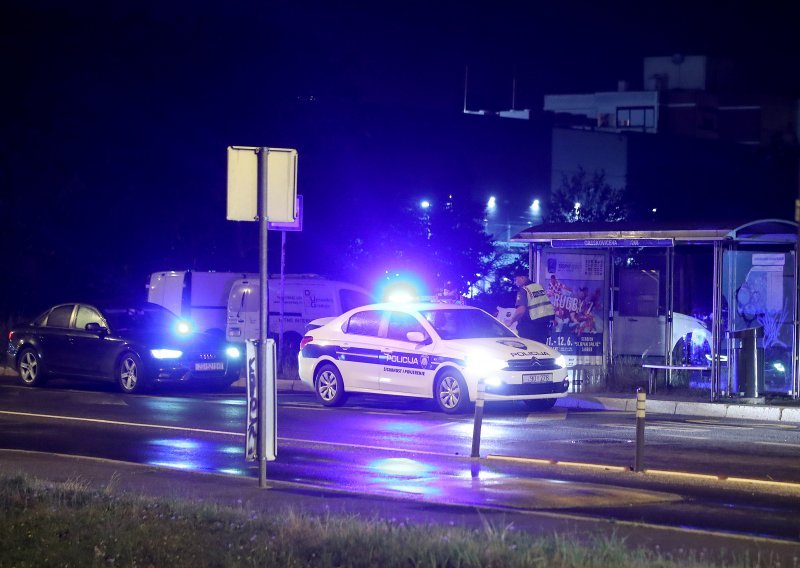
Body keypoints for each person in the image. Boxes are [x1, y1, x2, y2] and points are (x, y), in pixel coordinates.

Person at [508, 273, 555, 344]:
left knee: (528, 350)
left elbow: (521, 310)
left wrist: (510, 322)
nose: (515, 282)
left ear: (522, 278)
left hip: (529, 327)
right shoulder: (539, 286)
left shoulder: (524, 289)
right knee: (540, 351)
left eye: (516, 279)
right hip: (543, 327)